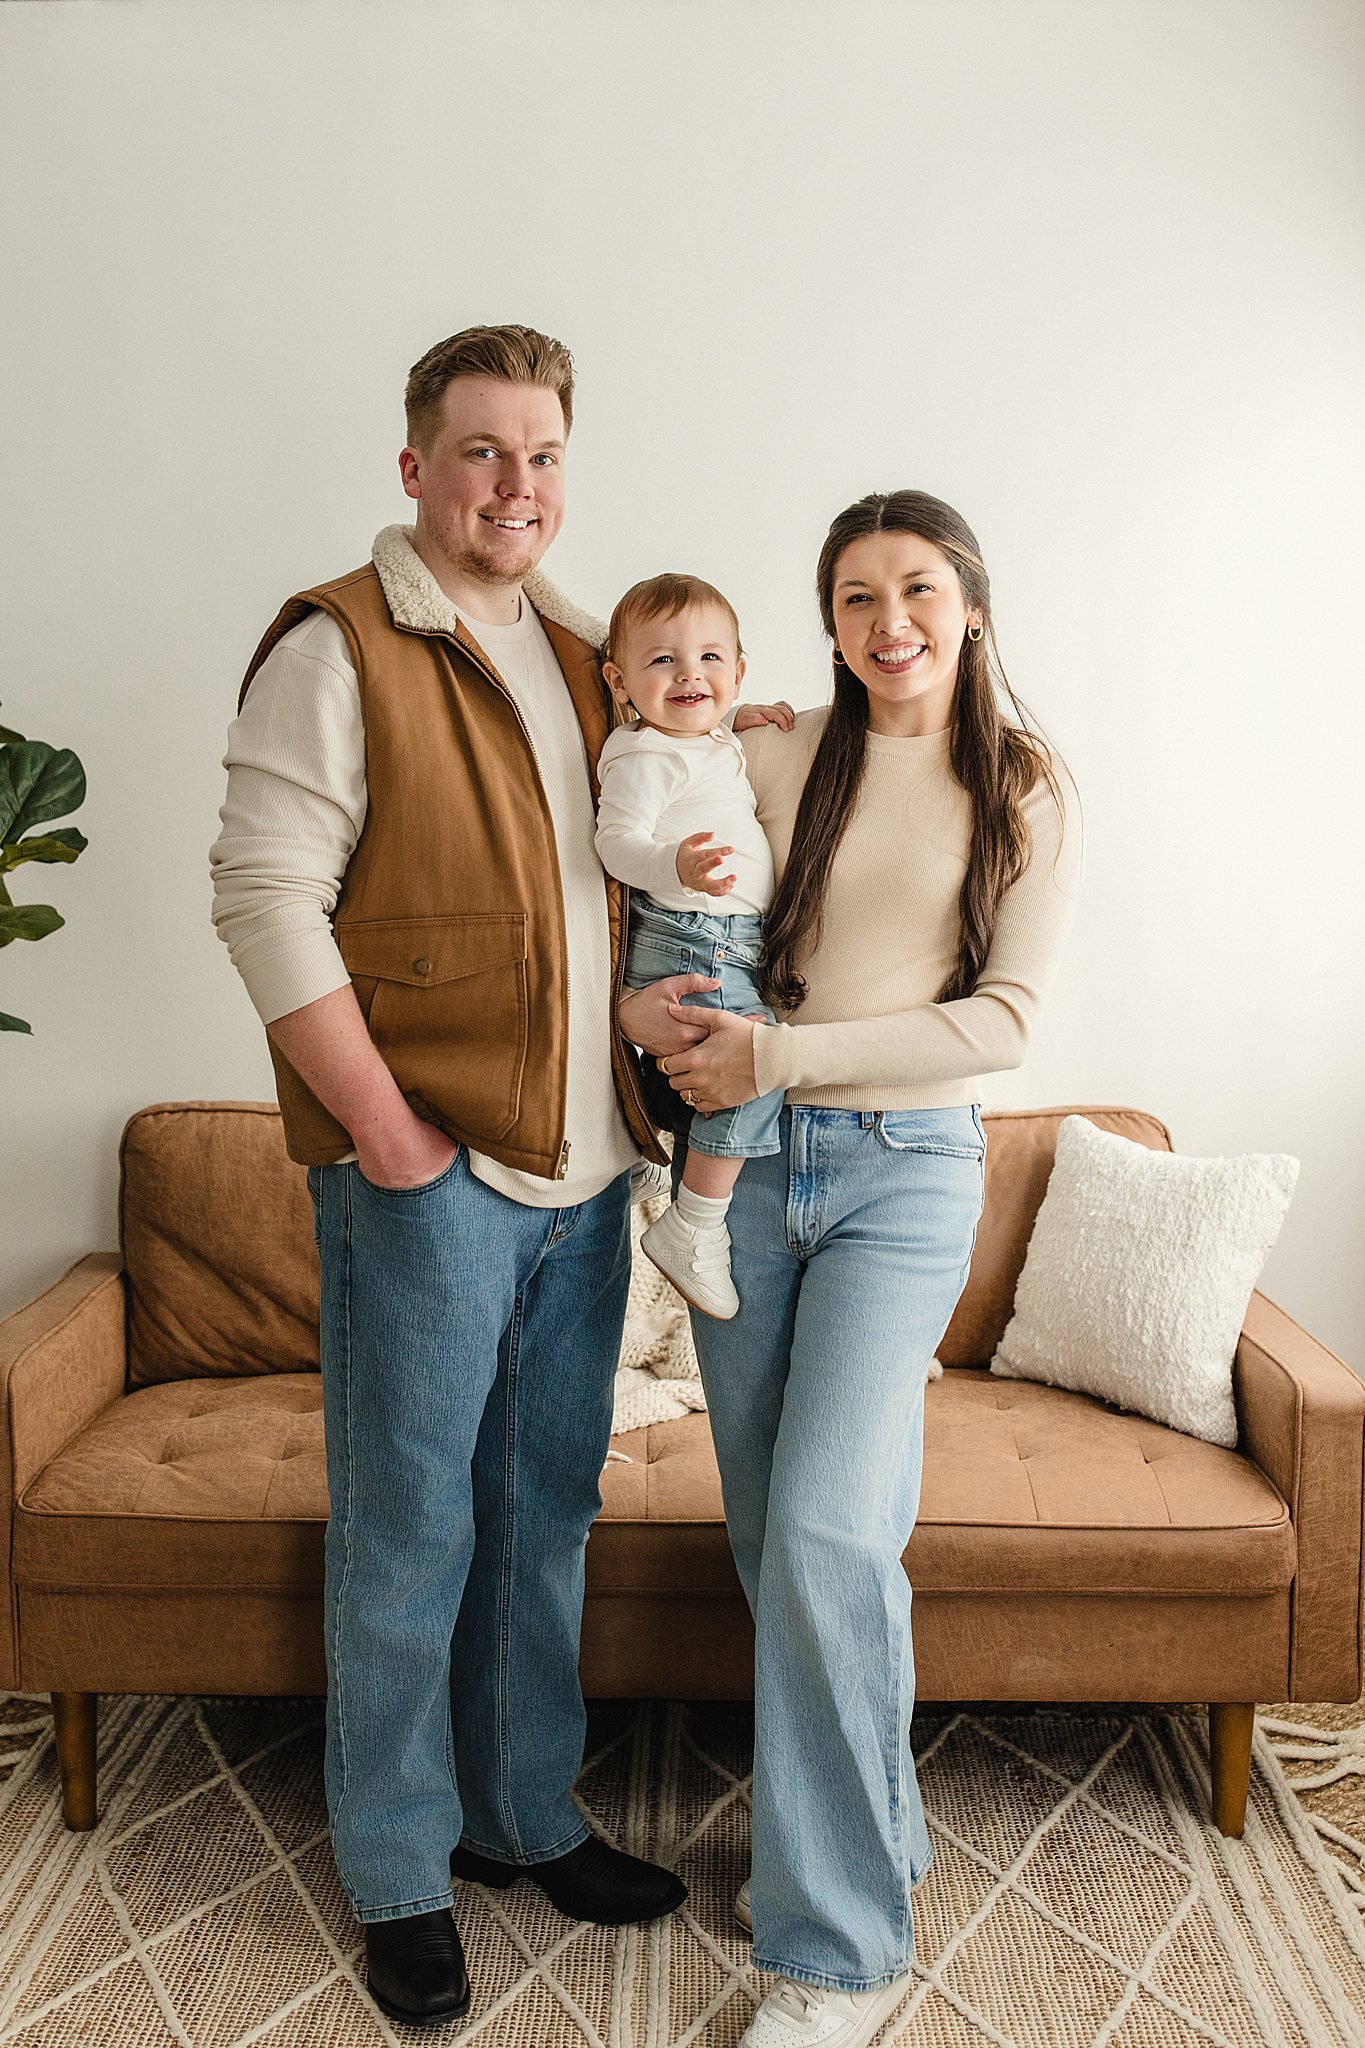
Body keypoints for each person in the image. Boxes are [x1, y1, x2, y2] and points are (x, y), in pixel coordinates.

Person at [209, 324, 693, 2030]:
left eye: (543, 452)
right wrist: (388, 1131)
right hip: (432, 1175)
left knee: (539, 1513)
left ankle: (519, 1815)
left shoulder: (580, 651)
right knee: (412, 1529)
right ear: (414, 465)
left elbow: (581, 906)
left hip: (585, 1177)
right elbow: (265, 895)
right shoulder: (340, 644)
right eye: (481, 450)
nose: (516, 483)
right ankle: (403, 1868)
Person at [620, 491, 1083, 2048]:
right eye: (856, 595)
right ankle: (870, 1835)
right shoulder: (773, 750)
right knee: (783, 1541)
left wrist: (785, 1053)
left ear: (968, 604)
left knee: (824, 1530)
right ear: (823, 617)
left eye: (918, 591)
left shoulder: (1020, 786)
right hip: (744, 1185)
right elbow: (668, 893)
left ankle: (838, 1956)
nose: (890, 622)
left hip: (904, 1181)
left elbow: (1006, 1020)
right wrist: (653, 1023)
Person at [595, 571, 793, 1318]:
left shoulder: (699, 739)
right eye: (663, 662)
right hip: (693, 938)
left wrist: (738, 717)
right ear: (620, 681)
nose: (690, 676)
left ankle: (648, 1155)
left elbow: (705, 720)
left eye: (711, 660)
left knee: (704, 1070)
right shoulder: (644, 754)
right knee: (754, 1065)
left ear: (737, 671)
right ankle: (693, 1226)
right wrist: (670, 864)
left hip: (717, 938)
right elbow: (616, 842)